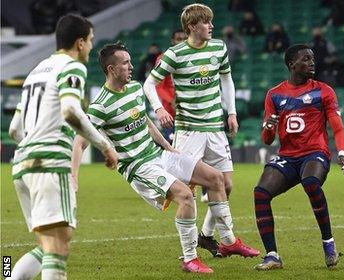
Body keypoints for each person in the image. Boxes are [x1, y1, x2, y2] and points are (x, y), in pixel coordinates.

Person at [72, 42, 257, 274]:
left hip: (159, 154)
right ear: (111, 69)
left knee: (216, 178)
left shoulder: (135, 88)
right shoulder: (101, 105)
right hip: (138, 166)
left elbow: (145, 121)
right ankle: (190, 259)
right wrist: (74, 178)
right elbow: (79, 142)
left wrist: (168, 146)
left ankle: (228, 242)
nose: (131, 66)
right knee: (186, 195)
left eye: (130, 61)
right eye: (126, 63)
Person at [143, 3, 260, 259]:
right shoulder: (175, 54)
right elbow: (149, 84)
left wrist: (232, 112)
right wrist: (159, 109)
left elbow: (226, 79)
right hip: (189, 130)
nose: (211, 26)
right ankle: (190, 248)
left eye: (211, 22)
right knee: (186, 192)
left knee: (226, 184)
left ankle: (207, 235)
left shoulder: (219, 47)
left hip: (215, 129)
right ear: (192, 26)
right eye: (206, 22)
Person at [7, 14, 118, 280]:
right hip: (50, 165)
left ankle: (8, 273)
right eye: (90, 41)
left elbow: (13, 129)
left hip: (22, 165)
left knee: (51, 242)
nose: (91, 47)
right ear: (80, 43)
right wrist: (105, 146)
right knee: (58, 246)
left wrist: (33, 146)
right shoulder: (72, 66)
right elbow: (70, 111)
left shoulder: (36, 71)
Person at [253, 44, 344, 270]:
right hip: (287, 156)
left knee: (311, 183)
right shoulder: (274, 94)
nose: (312, 63)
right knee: (260, 193)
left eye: (312, 59)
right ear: (291, 64)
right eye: (306, 59)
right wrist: (268, 126)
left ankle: (328, 243)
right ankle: (272, 256)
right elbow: (267, 139)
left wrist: (342, 152)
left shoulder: (323, 90)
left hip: (315, 153)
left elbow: (338, 128)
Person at [155, 29, 187, 142]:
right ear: (173, 41)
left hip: (189, 113)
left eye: (184, 39)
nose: (182, 42)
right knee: (173, 146)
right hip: (170, 114)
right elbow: (158, 86)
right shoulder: (163, 59)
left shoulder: (192, 59)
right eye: (179, 39)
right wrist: (171, 100)